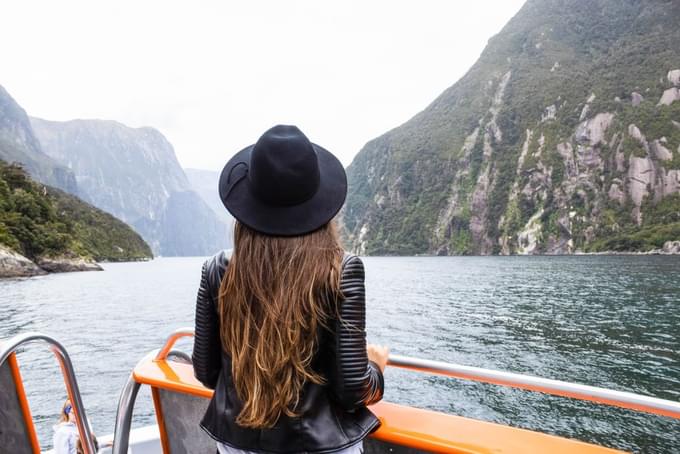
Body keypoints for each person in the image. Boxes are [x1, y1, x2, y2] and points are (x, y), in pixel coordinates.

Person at [192, 125, 389, 453]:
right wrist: (377, 369)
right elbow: (353, 388)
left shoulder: (217, 270)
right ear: (320, 205)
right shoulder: (341, 271)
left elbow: (207, 371)